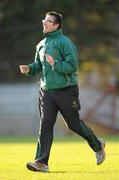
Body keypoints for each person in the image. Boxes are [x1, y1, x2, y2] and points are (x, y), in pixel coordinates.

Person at [19, 11, 106, 172]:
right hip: (46, 91)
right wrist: (29, 69)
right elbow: (39, 65)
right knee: (45, 125)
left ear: (56, 25)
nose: (44, 23)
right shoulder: (41, 44)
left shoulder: (65, 42)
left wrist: (55, 63)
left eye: (48, 21)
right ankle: (41, 162)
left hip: (66, 90)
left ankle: (97, 145)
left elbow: (72, 67)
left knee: (73, 124)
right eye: (44, 20)